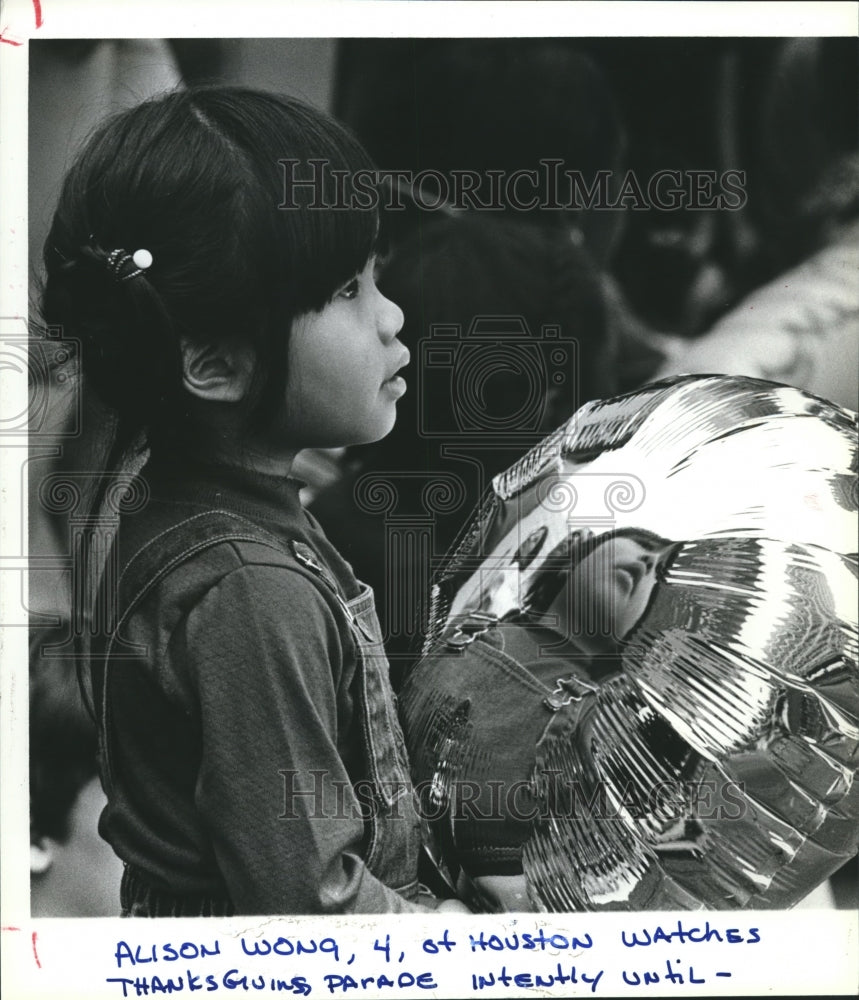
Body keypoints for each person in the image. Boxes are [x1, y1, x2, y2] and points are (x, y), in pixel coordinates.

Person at [39, 86, 467, 916]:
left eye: (376, 274)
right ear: (216, 366)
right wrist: (445, 935)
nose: (391, 316)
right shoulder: (247, 591)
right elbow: (309, 902)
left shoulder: (185, 505)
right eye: (347, 290)